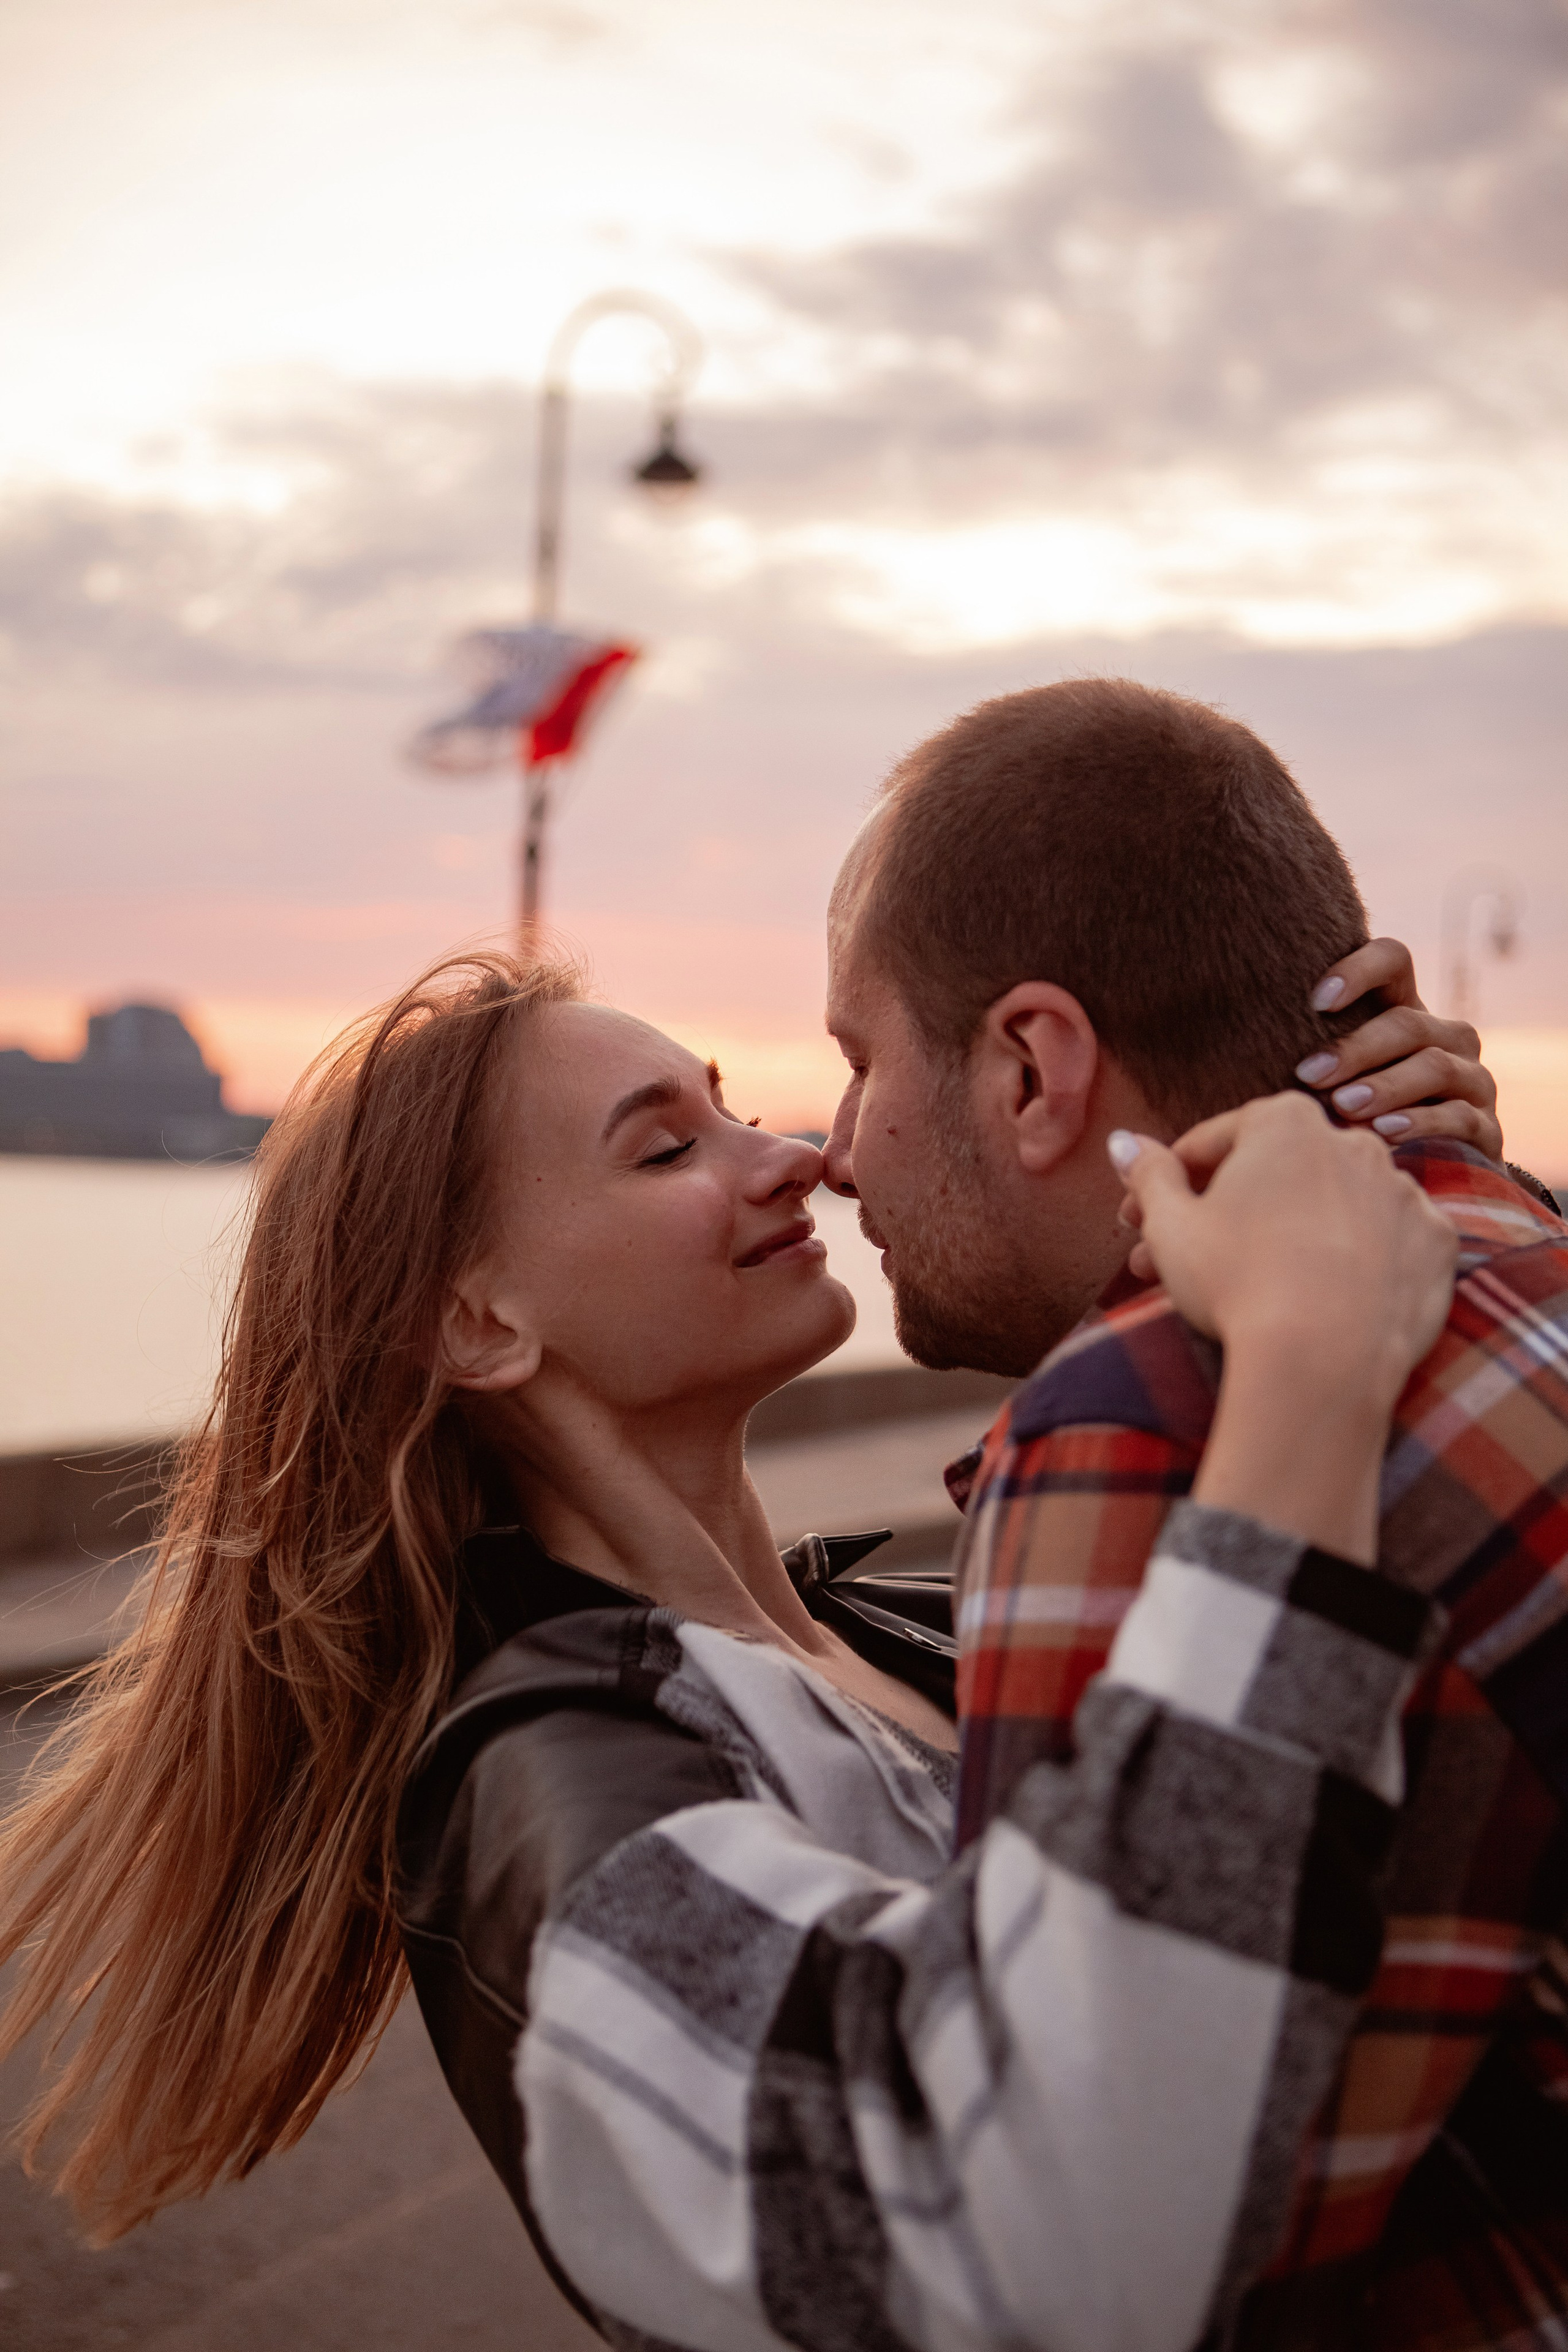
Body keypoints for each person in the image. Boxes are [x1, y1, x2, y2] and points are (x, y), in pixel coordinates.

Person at [0, 942, 1474, 2349]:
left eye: (734, 1107)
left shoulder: (915, 1636)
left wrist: (1403, 1181)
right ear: (478, 1325)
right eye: (662, 1150)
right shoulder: (559, 1794)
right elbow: (1024, 2263)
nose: (798, 1159)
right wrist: (1306, 1368)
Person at [821, 676, 1568, 2348]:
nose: (835, 1152)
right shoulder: (1524, 1249)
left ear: (1033, 1067)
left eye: (858, 1060)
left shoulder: (1154, 1410)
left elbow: (1078, 2244)